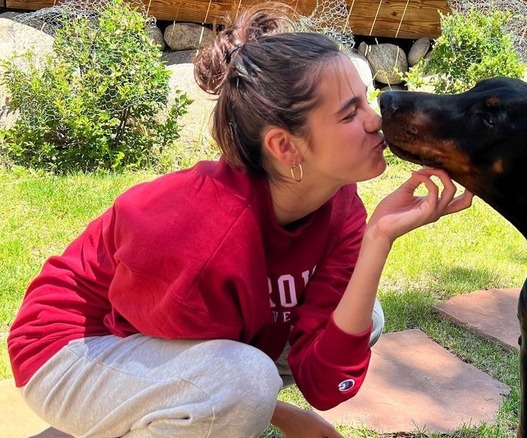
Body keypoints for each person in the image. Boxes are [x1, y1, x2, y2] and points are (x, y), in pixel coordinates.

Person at [6, 3, 473, 438]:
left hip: (198, 346)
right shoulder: (197, 232)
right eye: (351, 113)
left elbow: (327, 383)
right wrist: (281, 413)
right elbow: (146, 334)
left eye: (365, 101)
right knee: (242, 382)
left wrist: (378, 238)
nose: (375, 122)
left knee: (360, 315)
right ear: (285, 147)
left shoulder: (341, 204)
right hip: (73, 347)